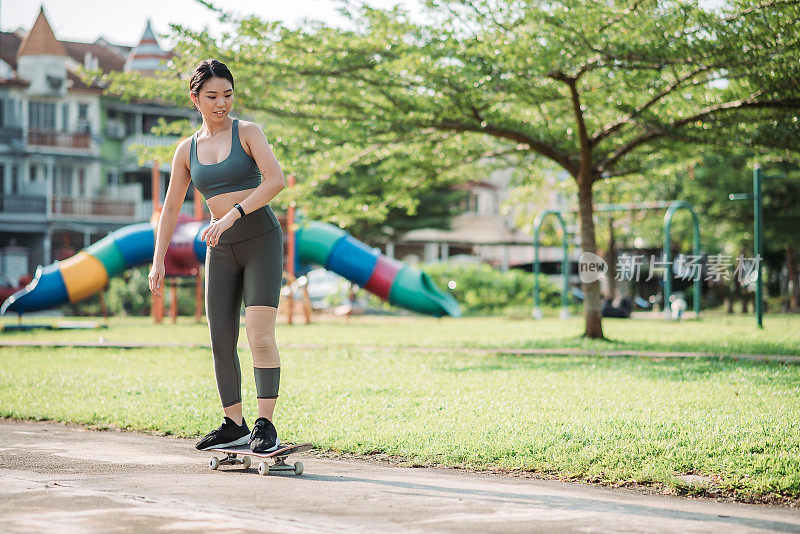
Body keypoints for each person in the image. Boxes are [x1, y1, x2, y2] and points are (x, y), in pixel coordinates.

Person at [148, 59, 286, 453]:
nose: (221, 103)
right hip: (220, 250)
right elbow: (171, 206)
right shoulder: (186, 150)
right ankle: (233, 423)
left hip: (260, 240)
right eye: (212, 96)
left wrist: (232, 215)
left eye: (227, 94)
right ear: (195, 98)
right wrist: (158, 259)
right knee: (220, 339)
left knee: (259, 336)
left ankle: (264, 425)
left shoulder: (248, 132)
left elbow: (275, 180)